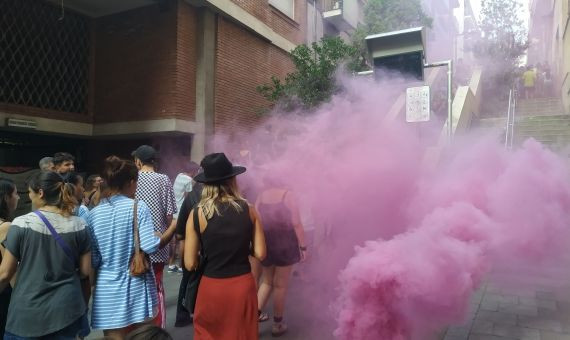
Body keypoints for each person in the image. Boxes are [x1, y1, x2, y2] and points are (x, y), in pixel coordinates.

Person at [88, 156, 174, 340]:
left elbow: (94, 259)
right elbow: (150, 246)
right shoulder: (137, 206)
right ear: (131, 182)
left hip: (106, 289)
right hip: (136, 284)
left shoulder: (93, 214)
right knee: (143, 336)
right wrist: (167, 232)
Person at [184, 153, 266, 340]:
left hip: (211, 287)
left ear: (206, 183)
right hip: (242, 286)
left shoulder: (197, 213)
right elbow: (260, 253)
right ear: (232, 180)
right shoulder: (249, 209)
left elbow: (189, 264)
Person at [0, 171, 91, 339]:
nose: (28, 197)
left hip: (27, 315)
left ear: (40, 193)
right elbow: (85, 272)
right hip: (67, 311)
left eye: (29, 192)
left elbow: (5, 273)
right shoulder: (80, 225)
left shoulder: (21, 224)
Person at [132, 145, 177, 328]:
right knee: (157, 285)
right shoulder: (163, 179)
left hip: (135, 242)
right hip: (158, 239)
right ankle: (158, 329)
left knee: (136, 287)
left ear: (138, 161)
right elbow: (170, 213)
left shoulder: (132, 179)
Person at [255, 181, 307, 336]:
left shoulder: (261, 196)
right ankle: (277, 325)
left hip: (266, 242)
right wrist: (303, 247)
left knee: (266, 281)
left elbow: (257, 220)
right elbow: (296, 223)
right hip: (285, 243)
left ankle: (250, 320)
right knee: (280, 285)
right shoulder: (288, 195)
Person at [174, 181, 203, 327]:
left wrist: (183, 253)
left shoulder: (191, 196)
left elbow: (180, 232)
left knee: (187, 280)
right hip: (206, 250)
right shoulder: (220, 196)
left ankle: (182, 315)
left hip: (190, 247)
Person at [169, 161, 200, 274]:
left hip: (174, 211)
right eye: (196, 171)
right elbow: (189, 198)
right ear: (192, 171)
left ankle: (171, 264)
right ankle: (182, 265)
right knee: (183, 239)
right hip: (182, 212)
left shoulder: (179, 176)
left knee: (173, 241)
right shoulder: (188, 181)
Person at [0, 179, 19, 338]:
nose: (18, 197)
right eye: (15, 193)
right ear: (6, 198)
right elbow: (9, 271)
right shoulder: (5, 227)